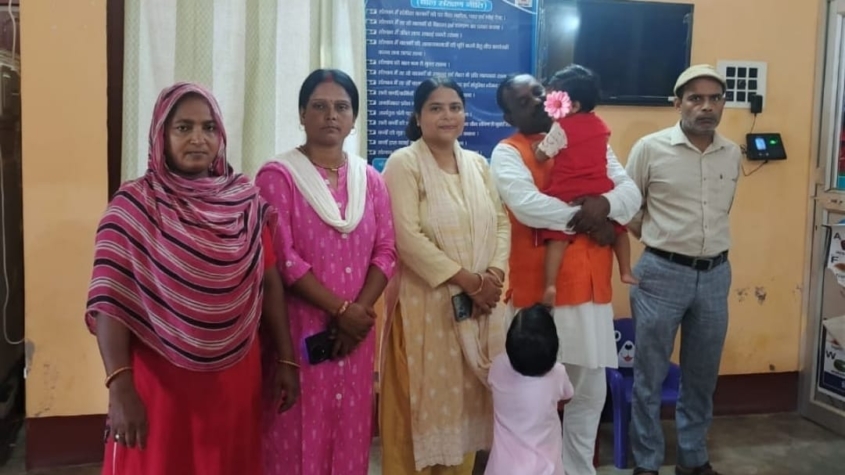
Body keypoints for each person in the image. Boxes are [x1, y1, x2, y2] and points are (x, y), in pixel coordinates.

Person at [85, 82, 299, 475]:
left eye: (209, 127)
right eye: (183, 127)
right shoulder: (132, 208)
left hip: (234, 379)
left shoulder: (246, 204)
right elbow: (109, 303)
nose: (198, 139)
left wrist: (286, 357)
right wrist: (120, 387)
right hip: (158, 382)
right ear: (160, 135)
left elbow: (269, 283)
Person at [489, 72, 641, 475]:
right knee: (535, 401)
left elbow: (630, 195)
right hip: (542, 299)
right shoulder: (508, 152)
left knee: (589, 397)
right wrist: (594, 219)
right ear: (509, 117)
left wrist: (606, 206)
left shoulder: (588, 134)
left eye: (539, 93)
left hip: (591, 294)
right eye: (523, 102)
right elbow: (528, 206)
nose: (536, 103)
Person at [256, 68, 397, 475]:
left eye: (341, 107)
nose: (331, 115)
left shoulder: (370, 180)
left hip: (354, 338)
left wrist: (357, 314)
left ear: (354, 119)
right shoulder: (277, 177)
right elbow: (283, 259)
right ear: (302, 114)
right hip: (299, 332)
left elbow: (386, 251)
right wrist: (341, 310)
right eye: (319, 106)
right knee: (293, 435)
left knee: (349, 435)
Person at [380, 76, 511, 474]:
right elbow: (406, 237)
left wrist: (492, 276)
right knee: (418, 412)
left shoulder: (478, 165)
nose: (447, 116)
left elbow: (501, 222)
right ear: (418, 116)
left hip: (478, 310)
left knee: (464, 410)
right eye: (435, 108)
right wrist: (471, 282)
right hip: (424, 310)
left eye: (455, 107)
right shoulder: (404, 163)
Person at [625, 64, 740, 475]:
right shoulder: (650, 148)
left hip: (715, 275)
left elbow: (722, 210)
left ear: (722, 104)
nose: (706, 107)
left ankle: (692, 460)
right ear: (678, 104)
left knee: (702, 376)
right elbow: (629, 210)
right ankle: (647, 462)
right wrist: (662, 238)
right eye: (696, 99)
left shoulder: (732, 152)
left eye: (715, 99)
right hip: (660, 273)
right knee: (649, 376)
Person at [533, 65, 635, 307]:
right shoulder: (601, 126)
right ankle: (626, 270)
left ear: (574, 106)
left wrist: (536, 148)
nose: (549, 105)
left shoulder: (562, 128)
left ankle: (550, 284)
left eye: (555, 100)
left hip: (568, 190)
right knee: (620, 230)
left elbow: (541, 156)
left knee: (558, 237)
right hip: (600, 190)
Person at [484, 304, 575, 475]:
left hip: (502, 469)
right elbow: (567, 396)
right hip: (545, 469)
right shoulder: (557, 373)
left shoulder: (498, 366)